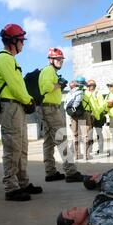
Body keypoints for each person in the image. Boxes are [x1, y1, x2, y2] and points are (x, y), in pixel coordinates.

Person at [0, 24, 42, 201]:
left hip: (17, 106)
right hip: (11, 107)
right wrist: (28, 100)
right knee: (12, 148)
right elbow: (14, 86)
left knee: (21, 147)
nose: (23, 44)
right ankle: (11, 187)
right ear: (13, 41)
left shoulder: (11, 60)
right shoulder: (4, 58)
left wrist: (27, 99)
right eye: (22, 40)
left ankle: (22, 182)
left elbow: (18, 85)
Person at [39, 48, 84, 182]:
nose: (61, 61)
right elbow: (46, 87)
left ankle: (50, 172)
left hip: (46, 108)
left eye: (61, 59)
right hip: (51, 109)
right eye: (58, 59)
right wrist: (59, 85)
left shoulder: (49, 71)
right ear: (51, 60)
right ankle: (71, 172)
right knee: (62, 138)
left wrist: (58, 84)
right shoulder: (48, 71)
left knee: (48, 142)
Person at [65, 76, 92, 160]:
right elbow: (92, 105)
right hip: (84, 113)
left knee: (75, 134)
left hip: (73, 115)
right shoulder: (86, 92)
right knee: (86, 135)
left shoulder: (70, 93)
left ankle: (76, 155)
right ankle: (86, 155)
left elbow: (66, 105)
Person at [85, 79, 106, 155]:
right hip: (89, 116)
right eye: (90, 86)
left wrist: (96, 112)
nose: (92, 87)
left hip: (98, 116)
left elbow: (102, 105)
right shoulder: (86, 94)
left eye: (93, 86)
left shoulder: (98, 94)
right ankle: (90, 149)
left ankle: (100, 149)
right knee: (89, 133)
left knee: (99, 133)